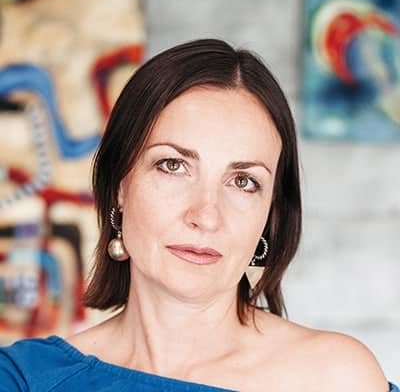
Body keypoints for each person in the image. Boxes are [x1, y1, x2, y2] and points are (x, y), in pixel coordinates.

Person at [0, 39, 398, 392]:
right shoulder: (25, 378)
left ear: (270, 212)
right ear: (120, 184)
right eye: (173, 166)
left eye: (243, 181)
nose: (206, 216)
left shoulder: (336, 378)